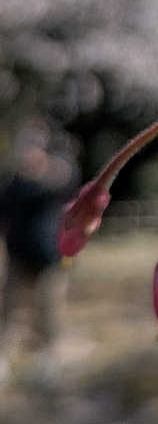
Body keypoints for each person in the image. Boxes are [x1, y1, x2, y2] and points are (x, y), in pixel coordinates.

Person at [0, 121, 79, 358]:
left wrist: (43, 170)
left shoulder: (56, 176)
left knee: (48, 312)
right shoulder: (13, 183)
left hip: (51, 258)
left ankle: (49, 355)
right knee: (10, 311)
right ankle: (4, 355)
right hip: (18, 257)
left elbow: (69, 181)